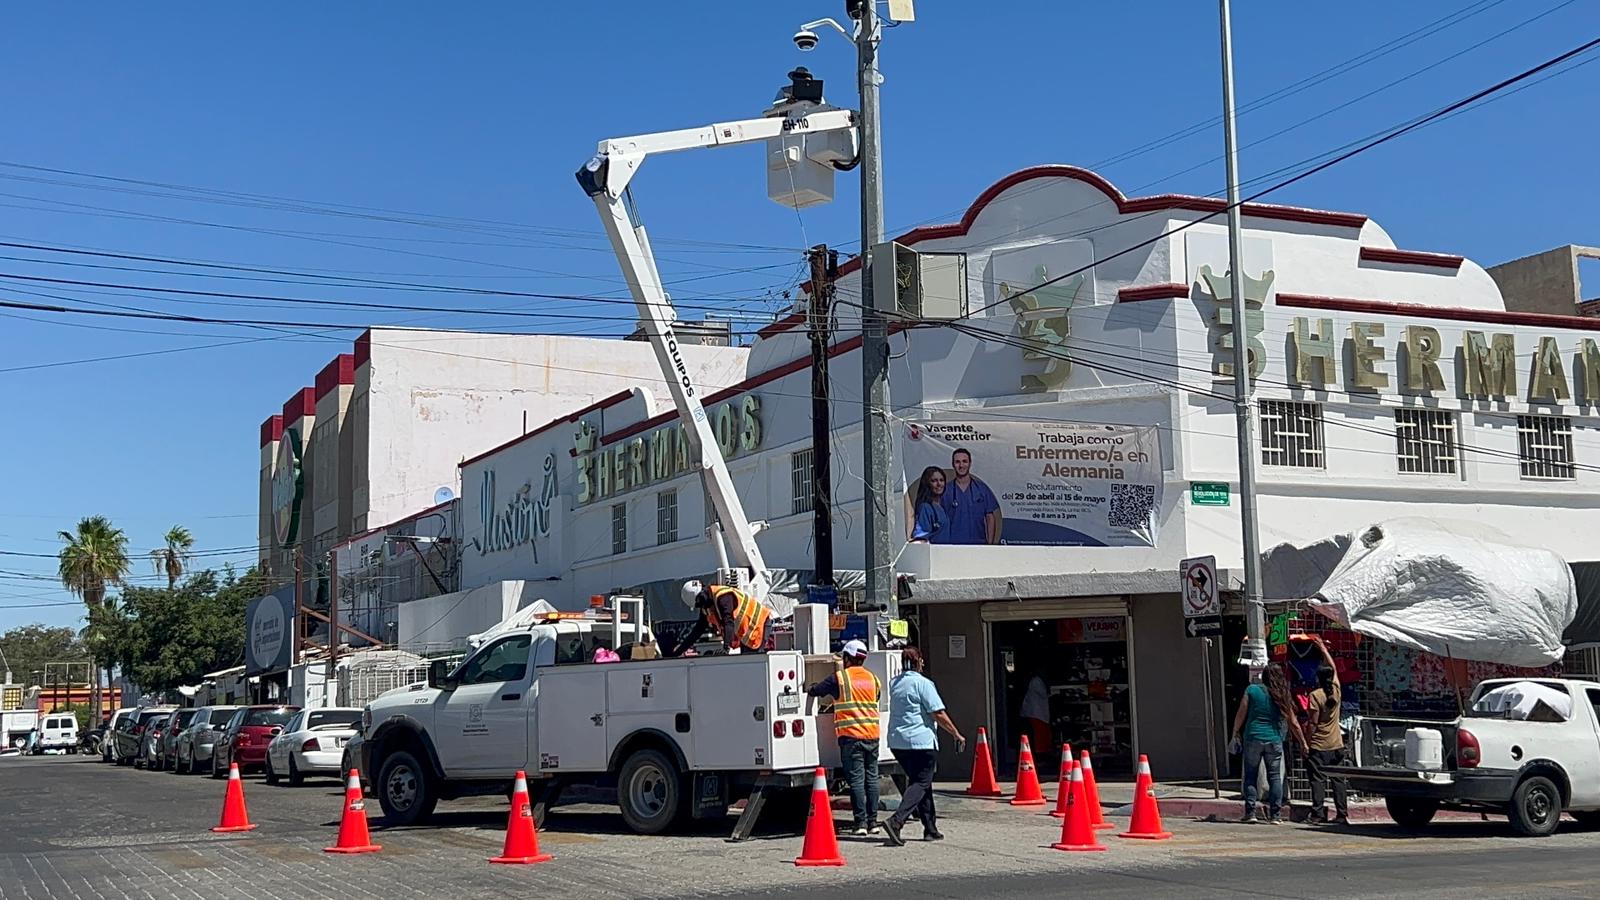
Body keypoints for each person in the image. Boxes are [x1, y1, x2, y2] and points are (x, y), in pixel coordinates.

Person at [882, 646, 965, 846]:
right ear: (918, 661)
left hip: (898, 742)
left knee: (921, 783)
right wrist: (956, 733)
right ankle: (896, 821)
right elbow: (937, 713)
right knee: (920, 782)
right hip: (921, 741)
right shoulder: (923, 684)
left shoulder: (895, 684)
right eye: (922, 660)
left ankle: (930, 828)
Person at [807, 640, 883, 835]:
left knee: (857, 781)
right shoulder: (873, 679)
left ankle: (860, 824)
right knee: (872, 779)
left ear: (847, 658)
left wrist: (810, 686)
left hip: (851, 738)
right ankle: (873, 822)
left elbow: (817, 690)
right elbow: (876, 699)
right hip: (873, 736)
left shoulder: (840, 678)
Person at [1230, 664, 1308, 824]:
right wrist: (1303, 742)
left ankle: (1250, 813)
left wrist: (1235, 732)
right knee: (1275, 778)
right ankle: (1276, 815)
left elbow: (1241, 713)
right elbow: (1293, 722)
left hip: (1253, 737)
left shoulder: (1252, 690)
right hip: (1274, 739)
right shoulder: (1282, 695)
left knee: (1250, 776)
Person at [1303, 637, 1349, 825]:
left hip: (1319, 746)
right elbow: (1334, 668)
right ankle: (1341, 814)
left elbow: (1313, 723)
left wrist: (1306, 743)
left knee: (1318, 780)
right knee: (1338, 780)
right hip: (1336, 744)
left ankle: (1318, 814)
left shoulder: (1315, 696)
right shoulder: (1336, 691)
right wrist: (1323, 649)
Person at [661, 580, 769, 657]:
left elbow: (728, 622)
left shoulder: (723, 597)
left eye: (700, 604)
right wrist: (677, 653)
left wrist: (726, 648)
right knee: (747, 663)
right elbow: (696, 632)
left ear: (702, 595)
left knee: (752, 663)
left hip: (760, 624)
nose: (702, 607)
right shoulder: (707, 606)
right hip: (748, 633)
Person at [940, 448, 1000, 545]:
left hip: (978, 544)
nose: (961, 465)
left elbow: (990, 517)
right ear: (953, 464)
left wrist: (990, 545)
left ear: (970, 463)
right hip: (952, 545)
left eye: (964, 461)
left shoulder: (982, 489)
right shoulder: (945, 490)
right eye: (957, 462)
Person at [910, 466, 950, 544]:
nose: (939, 484)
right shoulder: (925, 508)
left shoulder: (942, 507)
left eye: (941, 480)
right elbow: (921, 537)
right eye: (934, 481)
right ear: (927, 483)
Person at [1019, 671, 1053, 763]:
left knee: (1041, 735)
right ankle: (1040, 757)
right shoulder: (1036, 681)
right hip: (1036, 713)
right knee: (1039, 736)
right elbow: (1044, 694)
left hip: (1037, 713)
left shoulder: (1036, 681)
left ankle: (1041, 755)